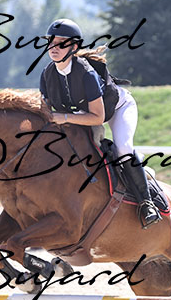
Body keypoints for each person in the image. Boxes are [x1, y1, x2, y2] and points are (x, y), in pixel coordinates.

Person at [39, 18, 161, 228]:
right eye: (51, 42)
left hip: (117, 108)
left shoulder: (86, 73)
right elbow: (48, 112)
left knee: (123, 148)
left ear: (74, 47)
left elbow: (97, 117)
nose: (53, 47)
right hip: (85, 114)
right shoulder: (47, 75)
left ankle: (146, 202)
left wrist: (65, 118)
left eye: (60, 43)